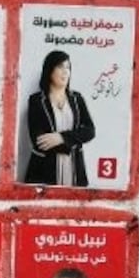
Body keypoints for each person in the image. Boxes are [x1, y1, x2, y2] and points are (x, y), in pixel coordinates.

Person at [23, 50, 95, 187]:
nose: (65, 72)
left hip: (74, 170)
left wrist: (62, 137)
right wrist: (74, 141)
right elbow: (39, 141)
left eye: (68, 67)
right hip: (44, 170)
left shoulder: (77, 99)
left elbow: (90, 131)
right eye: (60, 67)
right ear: (50, 69)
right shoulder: (36, 100)